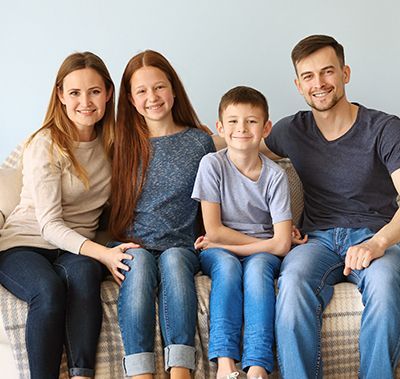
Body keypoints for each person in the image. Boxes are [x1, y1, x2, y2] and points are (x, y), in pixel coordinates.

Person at [264, 34, 400, 378]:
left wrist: (378, 242)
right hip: (318, 240)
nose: (319, 84)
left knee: (385, 289)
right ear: (298, 85)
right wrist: (198, 134)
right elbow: (241, 143)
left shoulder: (384, 128)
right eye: (308, 76)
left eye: (327, 72)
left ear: (345, 73)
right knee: (292, 282)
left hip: (376, 236)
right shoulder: (291, 130)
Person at [0, 52, 137, 379]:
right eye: (75, 93)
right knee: (48, 291)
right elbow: (49, 225)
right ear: (60, 95)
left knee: (86, 274)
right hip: (24, 244)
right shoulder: (45, 143)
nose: (85, 102)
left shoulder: (114, 145)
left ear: (107, 93)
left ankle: (81, 375)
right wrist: (104, 253)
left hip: (72, 249)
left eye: (94, 91)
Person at [109, 50, 215, 379]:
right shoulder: (119, 144)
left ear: (173, 89)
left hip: (180, 245)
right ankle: (141, 373)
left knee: (172, 262)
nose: (152, 97)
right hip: (133, 243)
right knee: (138, 267)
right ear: (130, 98)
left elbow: (237, 163)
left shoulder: (199, 142)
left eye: (159, 87)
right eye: (141, 91)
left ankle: (180, 370)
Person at [192, 86, 305, 379]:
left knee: (256, 274)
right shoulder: (212, 165)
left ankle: (257, 367)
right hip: (228, 251)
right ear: (220, 127)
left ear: (266, 127)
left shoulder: (276, 176)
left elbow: (281, 247)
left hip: (260, 253)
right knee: (228, 270)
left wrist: (249, 246)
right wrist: (267, 242)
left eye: (252, 121)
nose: (241, 128)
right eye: (232, 121)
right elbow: (213, 230)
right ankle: (226, 366)